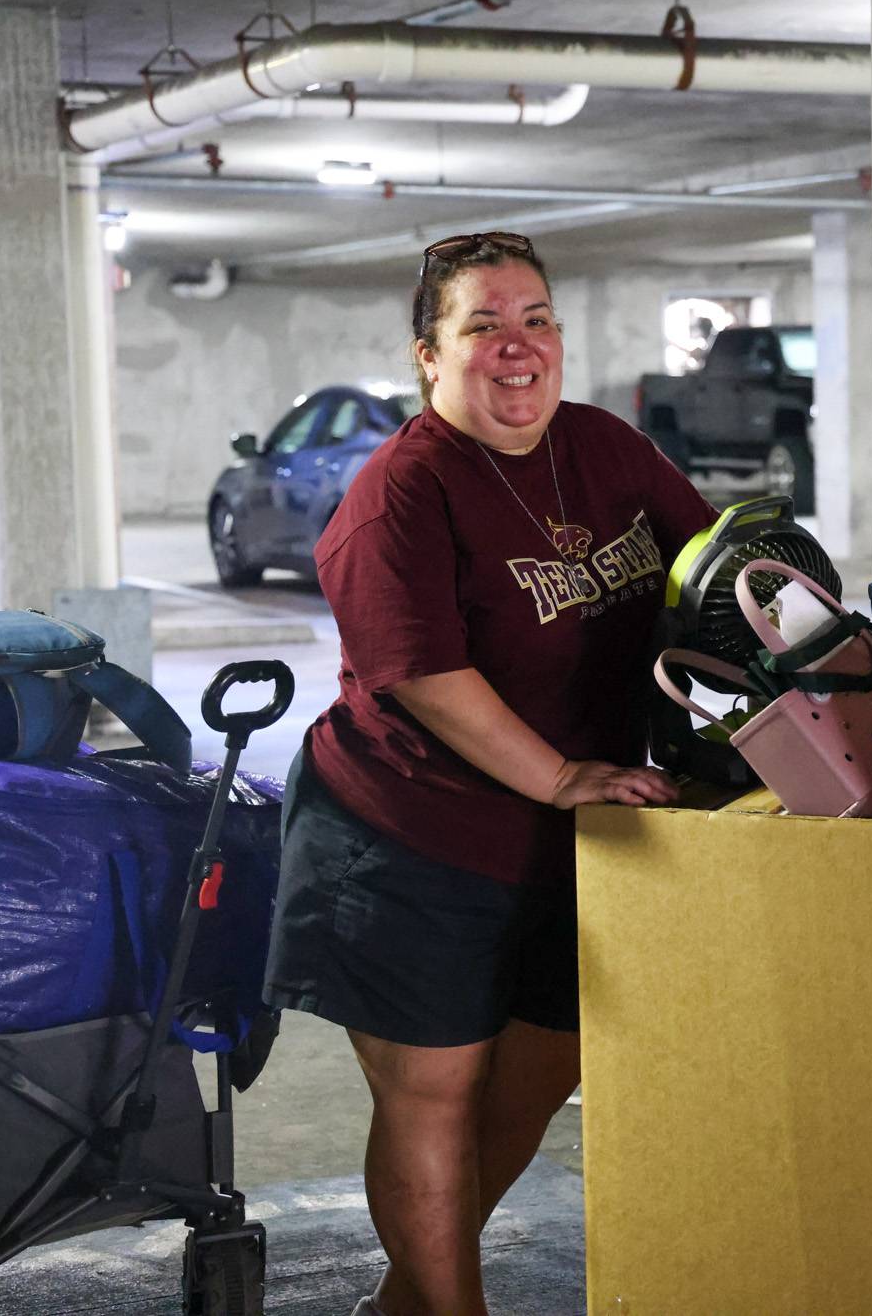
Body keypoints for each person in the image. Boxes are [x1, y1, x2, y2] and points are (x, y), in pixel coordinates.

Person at [262, 231, 716, 1316]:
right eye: (483, 326)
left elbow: (715, 569)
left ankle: (410, 1298)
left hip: (566, 831)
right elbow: (424, 673)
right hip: (406, 833)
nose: (518, 348)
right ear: (428, 355)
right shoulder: (400, 494)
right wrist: (562, 775)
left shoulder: (606, 449)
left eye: (536, 321)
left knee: (545, 1063)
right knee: (437, 1090)